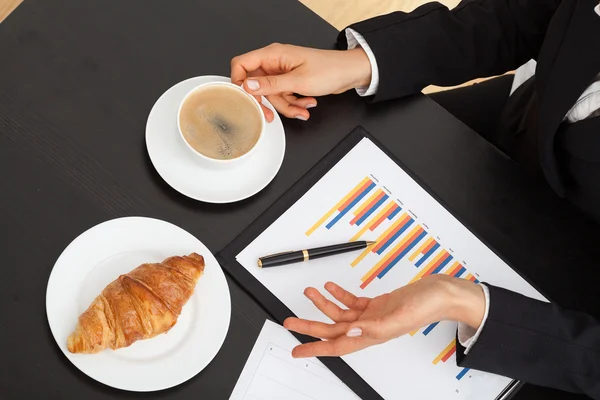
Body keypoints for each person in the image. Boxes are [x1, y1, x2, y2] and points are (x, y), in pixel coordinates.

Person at [230, 0, 600, 398]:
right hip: (523, 123)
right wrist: (361, 63)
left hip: (572, 309)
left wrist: (465, 301)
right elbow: (528, 15)